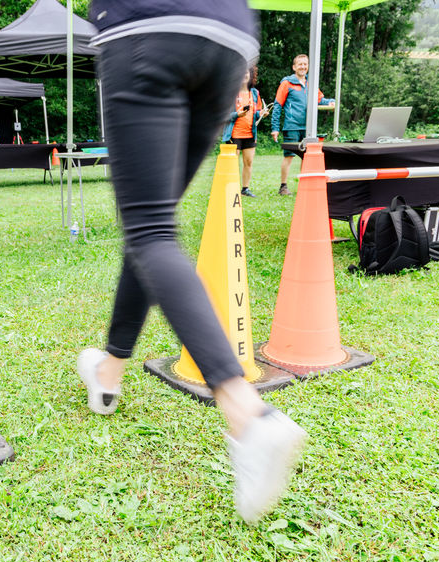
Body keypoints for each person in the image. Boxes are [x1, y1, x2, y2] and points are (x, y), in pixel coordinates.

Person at [80, 0, 307, 524]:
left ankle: (247, 414)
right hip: (228, 40)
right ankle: (109, 372)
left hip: (147, 29)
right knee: (150, 230)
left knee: (151, 230)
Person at [270, 54, 335, 196]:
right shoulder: (286, 83)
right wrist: (275, 128)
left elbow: (321, 100)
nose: (303, 67)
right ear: (294, 67)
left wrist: (331, 101)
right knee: (289, 156)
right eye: (300, 64)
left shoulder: (310, 84)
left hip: (308, 127)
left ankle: (303, 186)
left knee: (306, 157)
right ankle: (283, 187)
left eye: (305, 64)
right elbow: (277, 105)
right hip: (292, 126)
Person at [222, 67, 270, 198]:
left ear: (251, 75)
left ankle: (245, 189)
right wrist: (237, 114)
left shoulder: (254, 93)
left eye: (247, 72)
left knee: (248, 162)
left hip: (250, 134)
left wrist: (262, 113)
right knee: (232, 163)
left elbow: (257, 112)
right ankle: (230, 189)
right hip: (234, 134)